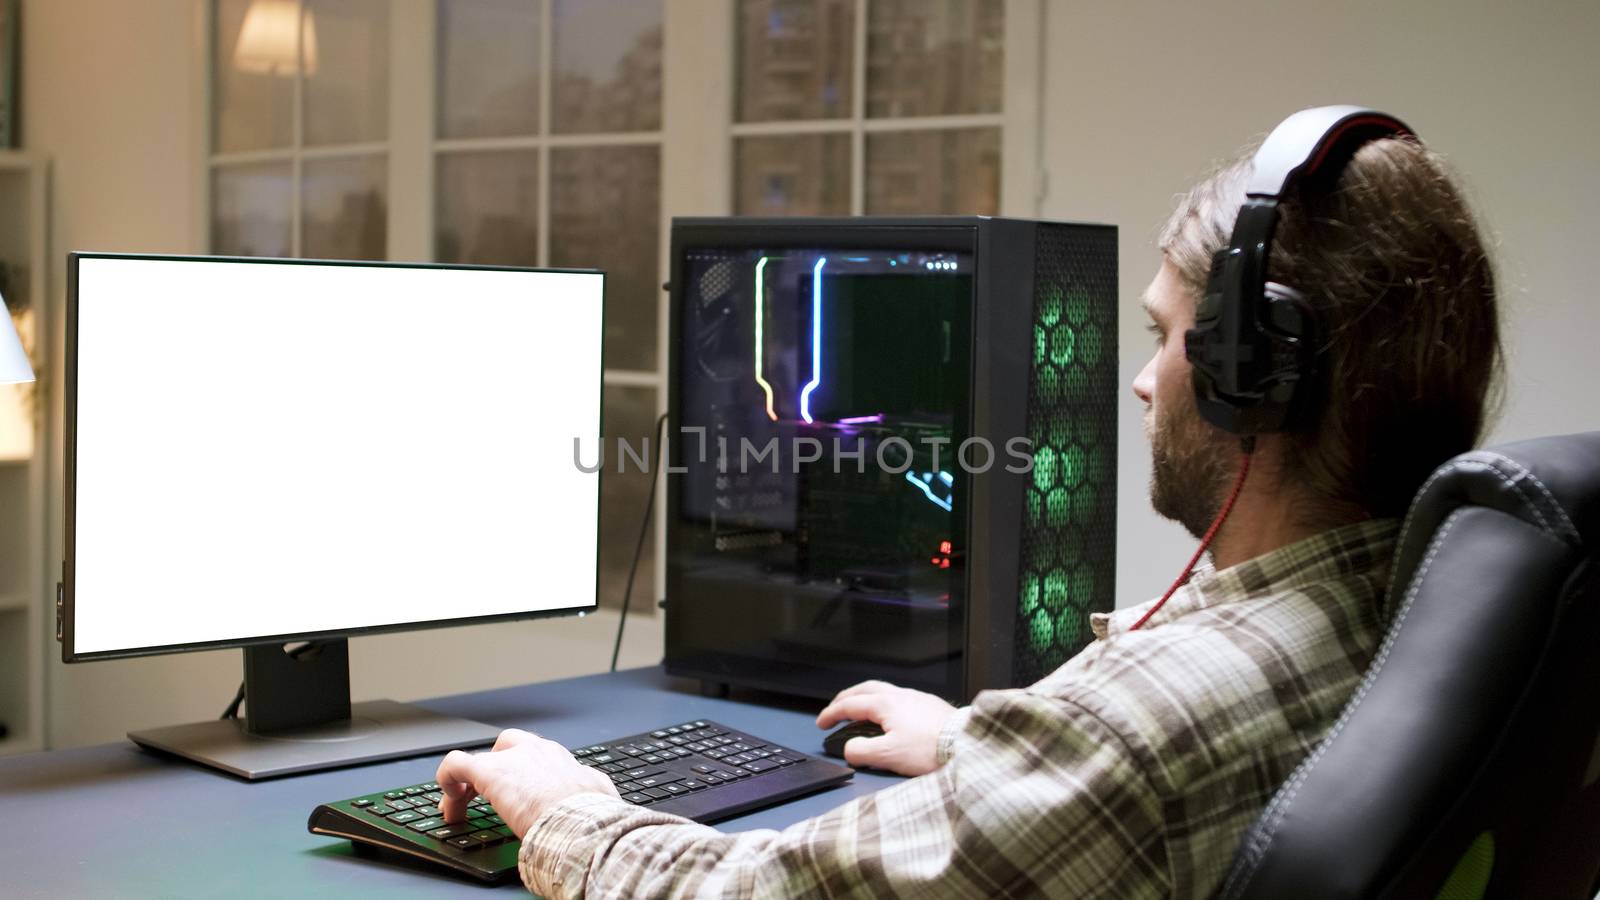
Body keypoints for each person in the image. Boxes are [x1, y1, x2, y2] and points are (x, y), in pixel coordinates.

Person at [433, 114, 1502, 898]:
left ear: (1251, 376)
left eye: (1161, 336)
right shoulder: (1446, 620)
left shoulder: (1137, 733)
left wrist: (573, 813)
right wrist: (985, 750)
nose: (1136, 382)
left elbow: (751, 896)